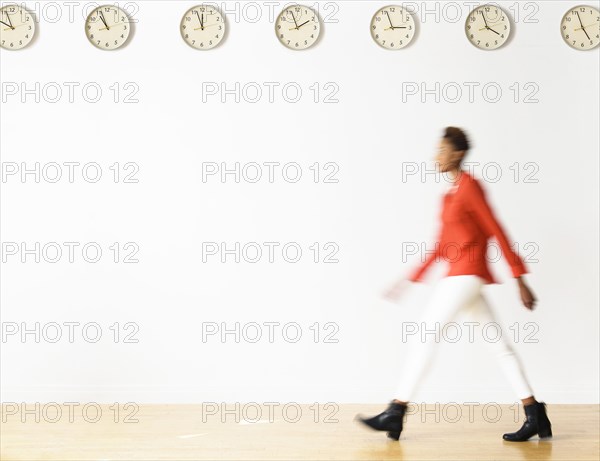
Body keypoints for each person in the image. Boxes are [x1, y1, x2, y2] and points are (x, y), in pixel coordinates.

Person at [357, 127, 552, 442]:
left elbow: (496, 229)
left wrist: (520, 278)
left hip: (467, 274)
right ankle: (536, 415)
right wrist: (410, 279)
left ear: (457, 154)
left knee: (425, 334)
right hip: (459, 275)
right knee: (500, 347)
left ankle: (396, 411)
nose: (437, 156)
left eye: (442, 150)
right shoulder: (448, 198)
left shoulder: (471, 187)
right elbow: (440, 245)